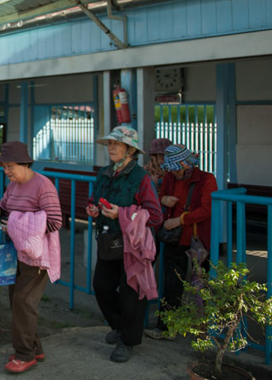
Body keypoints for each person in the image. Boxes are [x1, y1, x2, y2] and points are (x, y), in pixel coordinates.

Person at [85, 126, 162, 363]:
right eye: (109, 144)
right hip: (109, 242)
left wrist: (122, 213)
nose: (110, 148)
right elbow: (93, 198)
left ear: (130, 150)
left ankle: (128, 341)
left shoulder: (141, 178)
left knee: (132, 294)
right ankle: (120, 326)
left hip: (133, 246)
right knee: (102, 286)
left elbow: (155, 215)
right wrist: (93, 209)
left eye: (116, 144)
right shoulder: (105, 173)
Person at [0, 141, 62, 374]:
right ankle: (34, 347)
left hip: (37, 257)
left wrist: (20, 224)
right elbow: (6, 208)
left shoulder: (43, 185)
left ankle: (24, 355)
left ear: (25, 163)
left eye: (10, 166)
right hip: (16, 252)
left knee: (23, 302)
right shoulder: (13, 185)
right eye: (3, 167)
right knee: (18, 303)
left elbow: (55, 221)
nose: (7, 171)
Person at [145, 143, 216, 341]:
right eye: (171, 169)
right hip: (174, 238)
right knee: (172, 284)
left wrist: (181, 219)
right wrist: (164, 198)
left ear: (186, 165)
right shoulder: (169, 177)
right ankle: (166, 327)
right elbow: (157, 196)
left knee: (201, 285)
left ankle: (204, 329)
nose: (173, 173)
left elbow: (206, 209)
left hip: (197, 238)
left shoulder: (207, 180)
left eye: (176, 169)